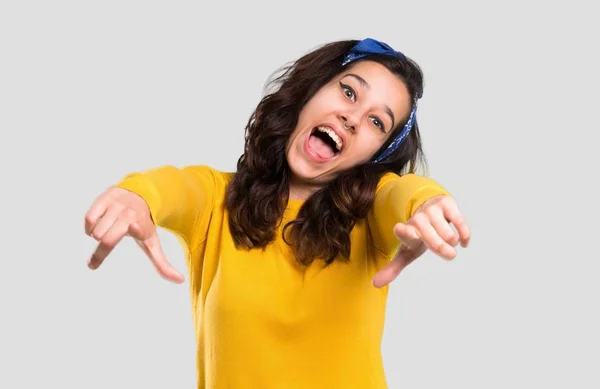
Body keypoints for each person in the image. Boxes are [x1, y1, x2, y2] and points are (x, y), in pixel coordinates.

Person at [84, 38, 471, 389]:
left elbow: (402, 194)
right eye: (349, 91)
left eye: (376, 122)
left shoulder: (371, 214)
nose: (352, 118)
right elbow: (172, 187)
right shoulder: (216, 199)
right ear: (310, 91)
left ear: (377, 155)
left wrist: (427, 203)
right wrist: (137, 196)